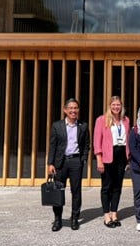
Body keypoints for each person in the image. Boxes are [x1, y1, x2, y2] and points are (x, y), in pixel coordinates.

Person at [47, 98, 90, 232]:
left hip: (76, 162)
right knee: (58, 191)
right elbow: (52, 145)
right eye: (70, 108)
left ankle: (74, 218)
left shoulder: (83, 126)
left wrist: (83, 159)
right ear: (65, 110)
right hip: (61, 163)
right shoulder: (57, 125)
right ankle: (58, 219)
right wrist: (50, 163)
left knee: (76, 192)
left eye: (75, 108)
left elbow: (86, 145)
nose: (73, 110)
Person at [93, 96, 130, 228]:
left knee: (117, 186)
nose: (116, 107)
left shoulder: (126, 120)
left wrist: (128, 158)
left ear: (121, 106)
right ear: (109, 106)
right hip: (108, 156)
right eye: (113, 105)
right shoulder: (102, 120)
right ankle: (106, 215)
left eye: (118, 105)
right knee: (106, 186)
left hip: (121, 156)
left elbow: (127, 139)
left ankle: (114, 213)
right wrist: (99, 160)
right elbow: (97, 141)